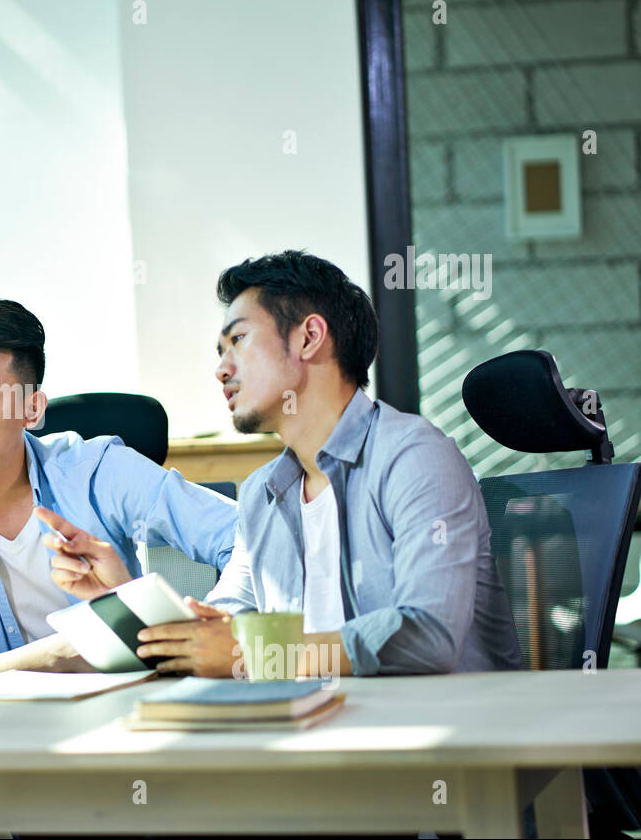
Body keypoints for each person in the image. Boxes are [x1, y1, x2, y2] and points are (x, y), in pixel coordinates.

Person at [39, 250, 523, 678]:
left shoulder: (413, 458)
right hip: (321, 735)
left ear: (310, 336)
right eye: (220, 351)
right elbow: (222, 630)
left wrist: (255, 653)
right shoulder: (264, 494)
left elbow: (427, 635)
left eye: (239, 340)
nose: (221, 369)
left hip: (439, 752)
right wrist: (122, 596)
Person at [0, 299, 238, 681]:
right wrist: (58, 656)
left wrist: (215, 632)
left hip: (122, 715)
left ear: (31, 409)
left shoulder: (98, 470)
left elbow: (249, 539)